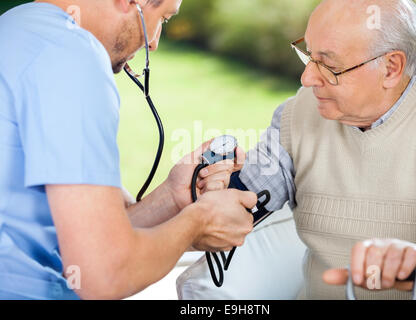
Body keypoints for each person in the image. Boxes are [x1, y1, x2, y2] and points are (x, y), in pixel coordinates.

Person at [0, 0, 258, 300]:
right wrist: (198, 223)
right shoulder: (73, 56)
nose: (154, 41)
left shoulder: (14, 27)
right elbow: (104, 274)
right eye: (162, 18)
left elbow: (86, 240)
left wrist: (172, 196)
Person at [194, 0, 416, 299]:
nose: (307, 78)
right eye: (309, 55)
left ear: (391, 68)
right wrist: (218, 190)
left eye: (328, 64)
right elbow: (246, 197)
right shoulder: (298, 113)